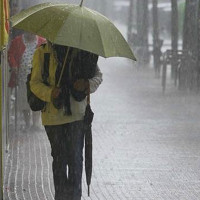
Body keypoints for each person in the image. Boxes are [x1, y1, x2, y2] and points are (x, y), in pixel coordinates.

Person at [30, 41, 103, 200]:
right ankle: (61, 196)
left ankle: (75, 197)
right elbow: (34, 83)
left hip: (76, 115)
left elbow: (98, 76)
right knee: (59, 160)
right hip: (53, 118)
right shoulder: (43, 53)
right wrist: (50, 92)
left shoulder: (82, 52)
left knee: (76, 159)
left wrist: (86, 84)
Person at [8, 32, 46, 131]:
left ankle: (35, 124)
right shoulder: (17, 41)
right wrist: (14, 65)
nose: (31, 34)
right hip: (22, 78)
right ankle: (28, 123)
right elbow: (10, 54)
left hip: (37, 79)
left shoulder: (42, 42)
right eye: (29, 31)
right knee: (24, 101)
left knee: (37, 99)